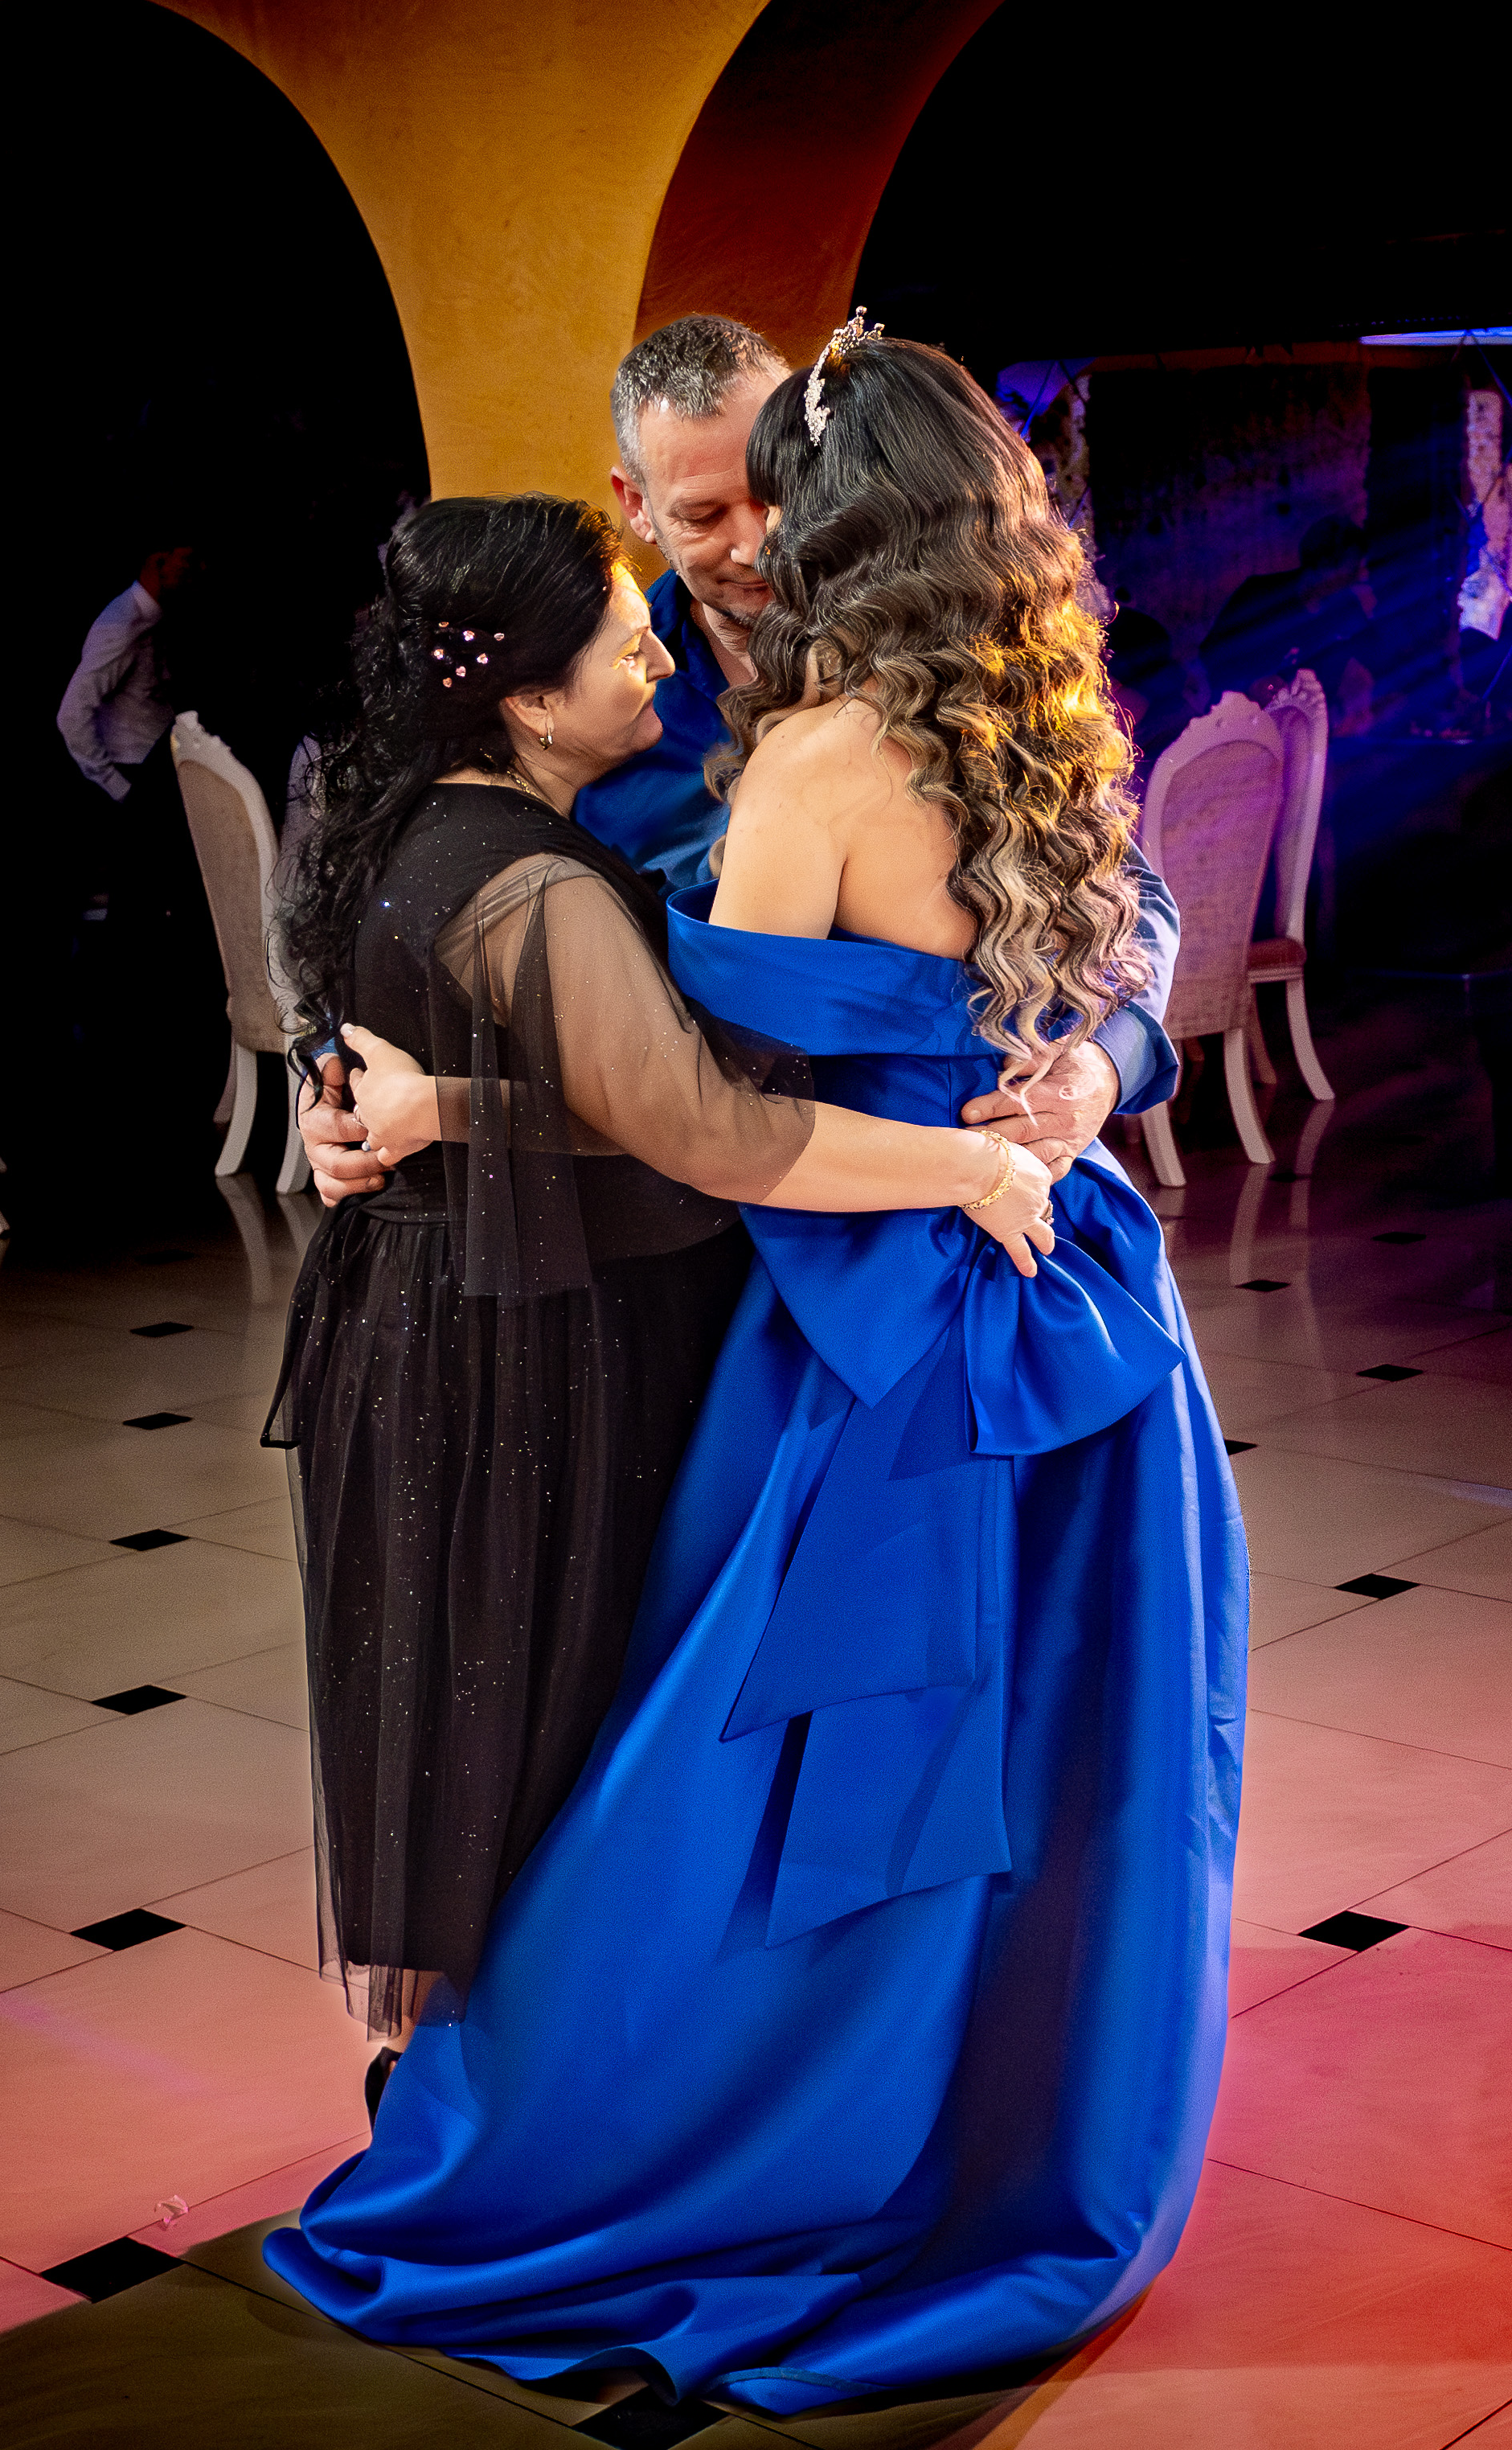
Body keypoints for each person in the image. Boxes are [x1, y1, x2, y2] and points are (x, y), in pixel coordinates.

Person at [270, 328, 1243, 2419]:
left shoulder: (800, 751)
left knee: (767, 1790)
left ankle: (659, 2151)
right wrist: (388, 1094)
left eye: (752, 507)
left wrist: (1092, 1068)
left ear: (820, 512)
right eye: (689, 516)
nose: (718, 551)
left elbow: (714, 1100)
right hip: (1064, 1306)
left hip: (871, 1318)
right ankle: (1000, 2148)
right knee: (1024, 1761)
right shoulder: (1026, 697)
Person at [261, 490, 1071, 2050]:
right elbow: (698, 1125)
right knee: (533, 1724)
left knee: (476, 1718)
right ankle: (516, 2097)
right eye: (623, 643)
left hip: (448, 1305)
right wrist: (972, 1166)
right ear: (525, 695)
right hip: (525, 1339)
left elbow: (588, 1086)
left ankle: (470, 2078)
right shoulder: (532, 880)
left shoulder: (423, 828)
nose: (655, 659)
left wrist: (434, 1109)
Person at [581, 314, 1182, 1151]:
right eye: (705, 515)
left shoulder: (969, 677)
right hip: (733, 1185)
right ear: (637, 507)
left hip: (959, 1171)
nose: (755, 547)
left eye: (773, 499)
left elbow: (1124, 892)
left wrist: (1105, 1064)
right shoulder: (588, 702)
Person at [53, 536, 198, 801]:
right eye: (188, 560)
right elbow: (71, 714)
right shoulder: (123, 625)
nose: (199, 569)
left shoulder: (157, 618)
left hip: (163, 762)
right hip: (136, 771)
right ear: (158, 561)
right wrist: (118, 786)